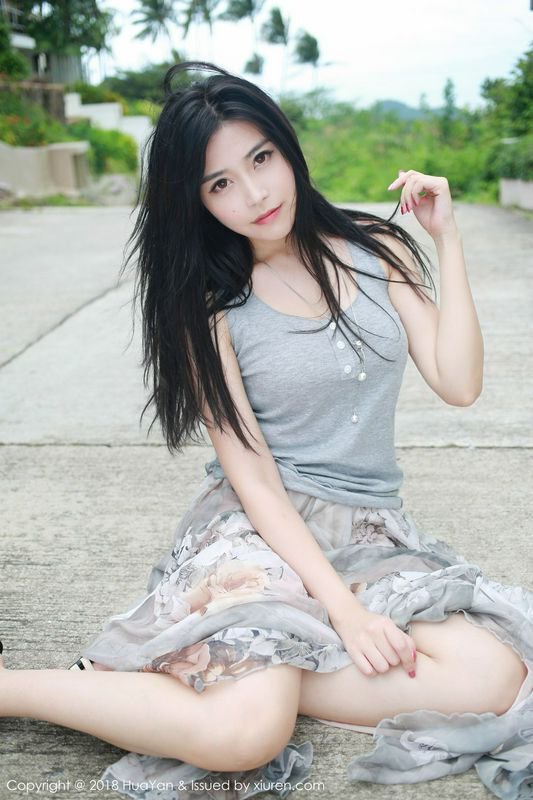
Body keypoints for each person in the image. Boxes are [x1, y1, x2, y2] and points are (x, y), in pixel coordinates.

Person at [1, 61, 531, 800]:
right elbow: (253, 479)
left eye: (261, 159)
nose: (254, 194)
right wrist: (345, 617)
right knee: (246, 737)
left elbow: (459, 382)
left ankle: (202, 662)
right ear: (196, 201)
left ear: (287, 148)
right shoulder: (210, 305)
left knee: (495, 677)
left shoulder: (374, 247)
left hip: (368, 534)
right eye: (220, 183)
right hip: (259, 529)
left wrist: (447, 241)